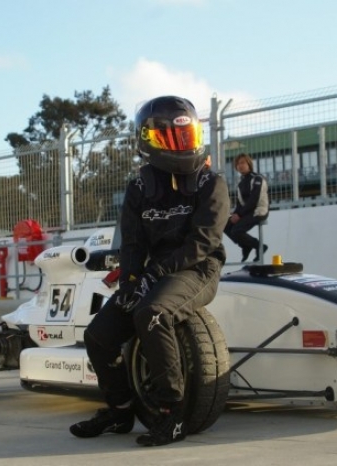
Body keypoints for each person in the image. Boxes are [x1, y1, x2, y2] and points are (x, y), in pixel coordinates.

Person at [69, 96, 230, 447]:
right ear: (148, 140)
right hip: (152, 274)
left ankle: (171, 415)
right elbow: (132, 244)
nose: (180, 145)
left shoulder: (211, 184)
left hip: (198, 270)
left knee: (153, 314)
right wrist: (130, 280)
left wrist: (152, 276)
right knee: (99, 335)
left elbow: (202, 243)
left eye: (184, 137)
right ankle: (120, 410)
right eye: (170, 138)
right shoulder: (140, 187)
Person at [224, 153, 269, 262]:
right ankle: (245, 246)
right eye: (238, 164)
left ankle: (260, 246)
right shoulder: (240, 183)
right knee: (225, 224)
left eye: (243, 162)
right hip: (246, 212)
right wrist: (235, 214)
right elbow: (240, 203)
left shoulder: (257, 178)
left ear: (249, 164)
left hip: (259, 210)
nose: (240, 165)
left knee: (236, 230)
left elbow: (254, 200)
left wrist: (239, 215)